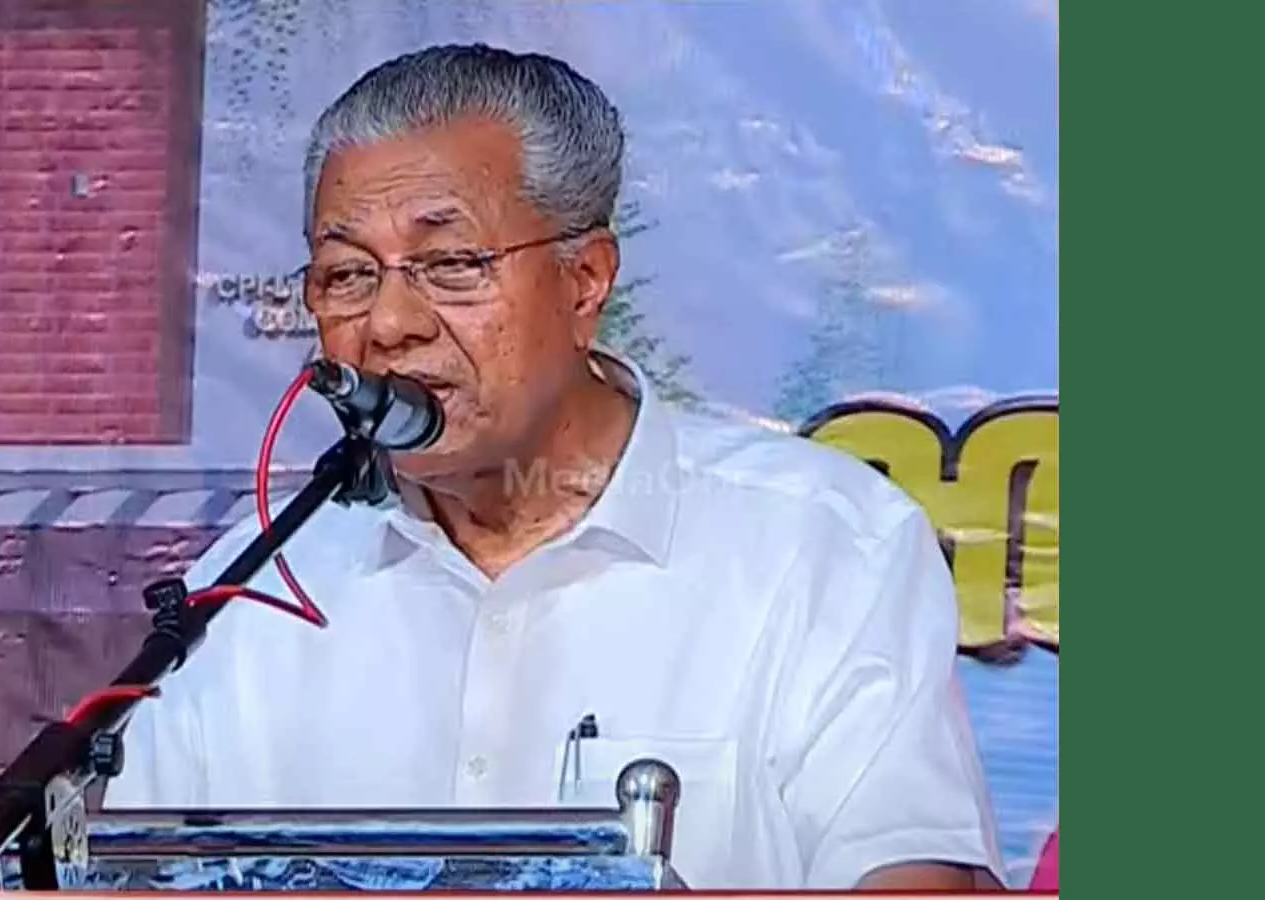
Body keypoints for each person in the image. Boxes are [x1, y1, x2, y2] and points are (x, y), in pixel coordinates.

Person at [104, 43, 1005, 891]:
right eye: (347, 276)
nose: (389, 325)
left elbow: (914, 878)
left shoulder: (825, 547)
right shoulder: (251, 593)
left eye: (451, 264)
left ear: (585, 281)